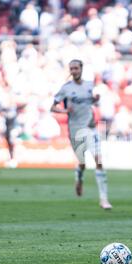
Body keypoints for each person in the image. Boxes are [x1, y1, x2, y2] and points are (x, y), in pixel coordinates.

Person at [51, 59, 112, 210]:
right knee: (82, 163)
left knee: (98, 161)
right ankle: (79, 178)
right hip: (75, 129)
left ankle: (103, 199)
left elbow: (90, 103)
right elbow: (53, 107)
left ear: (81, 69)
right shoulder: (66, 88)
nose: (74, 71)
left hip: (90, 128)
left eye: (76, 68)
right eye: (71, 69)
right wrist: (64, 111)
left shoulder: (89, 85)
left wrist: (95, 99)